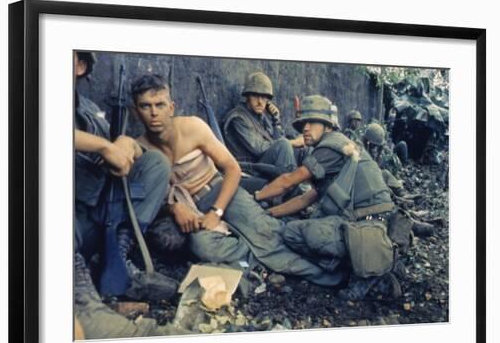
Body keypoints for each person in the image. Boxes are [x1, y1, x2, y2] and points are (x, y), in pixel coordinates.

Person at [131, 74, 342, 287]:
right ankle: (257, 255)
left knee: (267, 235)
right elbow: (143, 204)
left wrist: (217, 212)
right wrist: (173, 209)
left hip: (221, 192)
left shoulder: (192, 127)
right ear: (135, 111)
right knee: (202, 247)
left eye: (160, 104)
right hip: (192, 209)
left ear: (171, 107)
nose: (154, 113)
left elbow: (232, 169)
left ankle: (333, 274)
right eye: (145, 106)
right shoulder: (139, 149)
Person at [73, 52, 177, 338]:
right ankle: (81, 297)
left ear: (81, 66)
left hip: (99, 210)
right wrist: (103, 147)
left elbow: (122, 154)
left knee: (156, 163)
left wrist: (128, 144)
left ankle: (117, 254)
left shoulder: (91, 111)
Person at [256, 95, 399, 300]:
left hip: (366, 225)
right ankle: (365, 261)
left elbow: (289, 181)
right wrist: (271, 212)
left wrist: (257, 195)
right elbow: (307, 198)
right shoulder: (339, 145)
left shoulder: (330, 147)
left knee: (292, 233)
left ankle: (361, 271)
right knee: (306, 224)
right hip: (373, 222)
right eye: (303, 123)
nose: (305, 128)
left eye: (312, 122)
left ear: (328, 126)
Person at [222, 72, 304, 176]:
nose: (260, 102)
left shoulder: (260, 116)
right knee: (285, 144)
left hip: (263, 164)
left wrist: (275, 120)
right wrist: (294, 142)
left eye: (264, 97)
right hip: (250, 170)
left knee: (302, 151)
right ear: (248, 96)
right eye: (255, 96)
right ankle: (292, 187)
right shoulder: (238, 118)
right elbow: (259, 149)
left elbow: (276, 141)